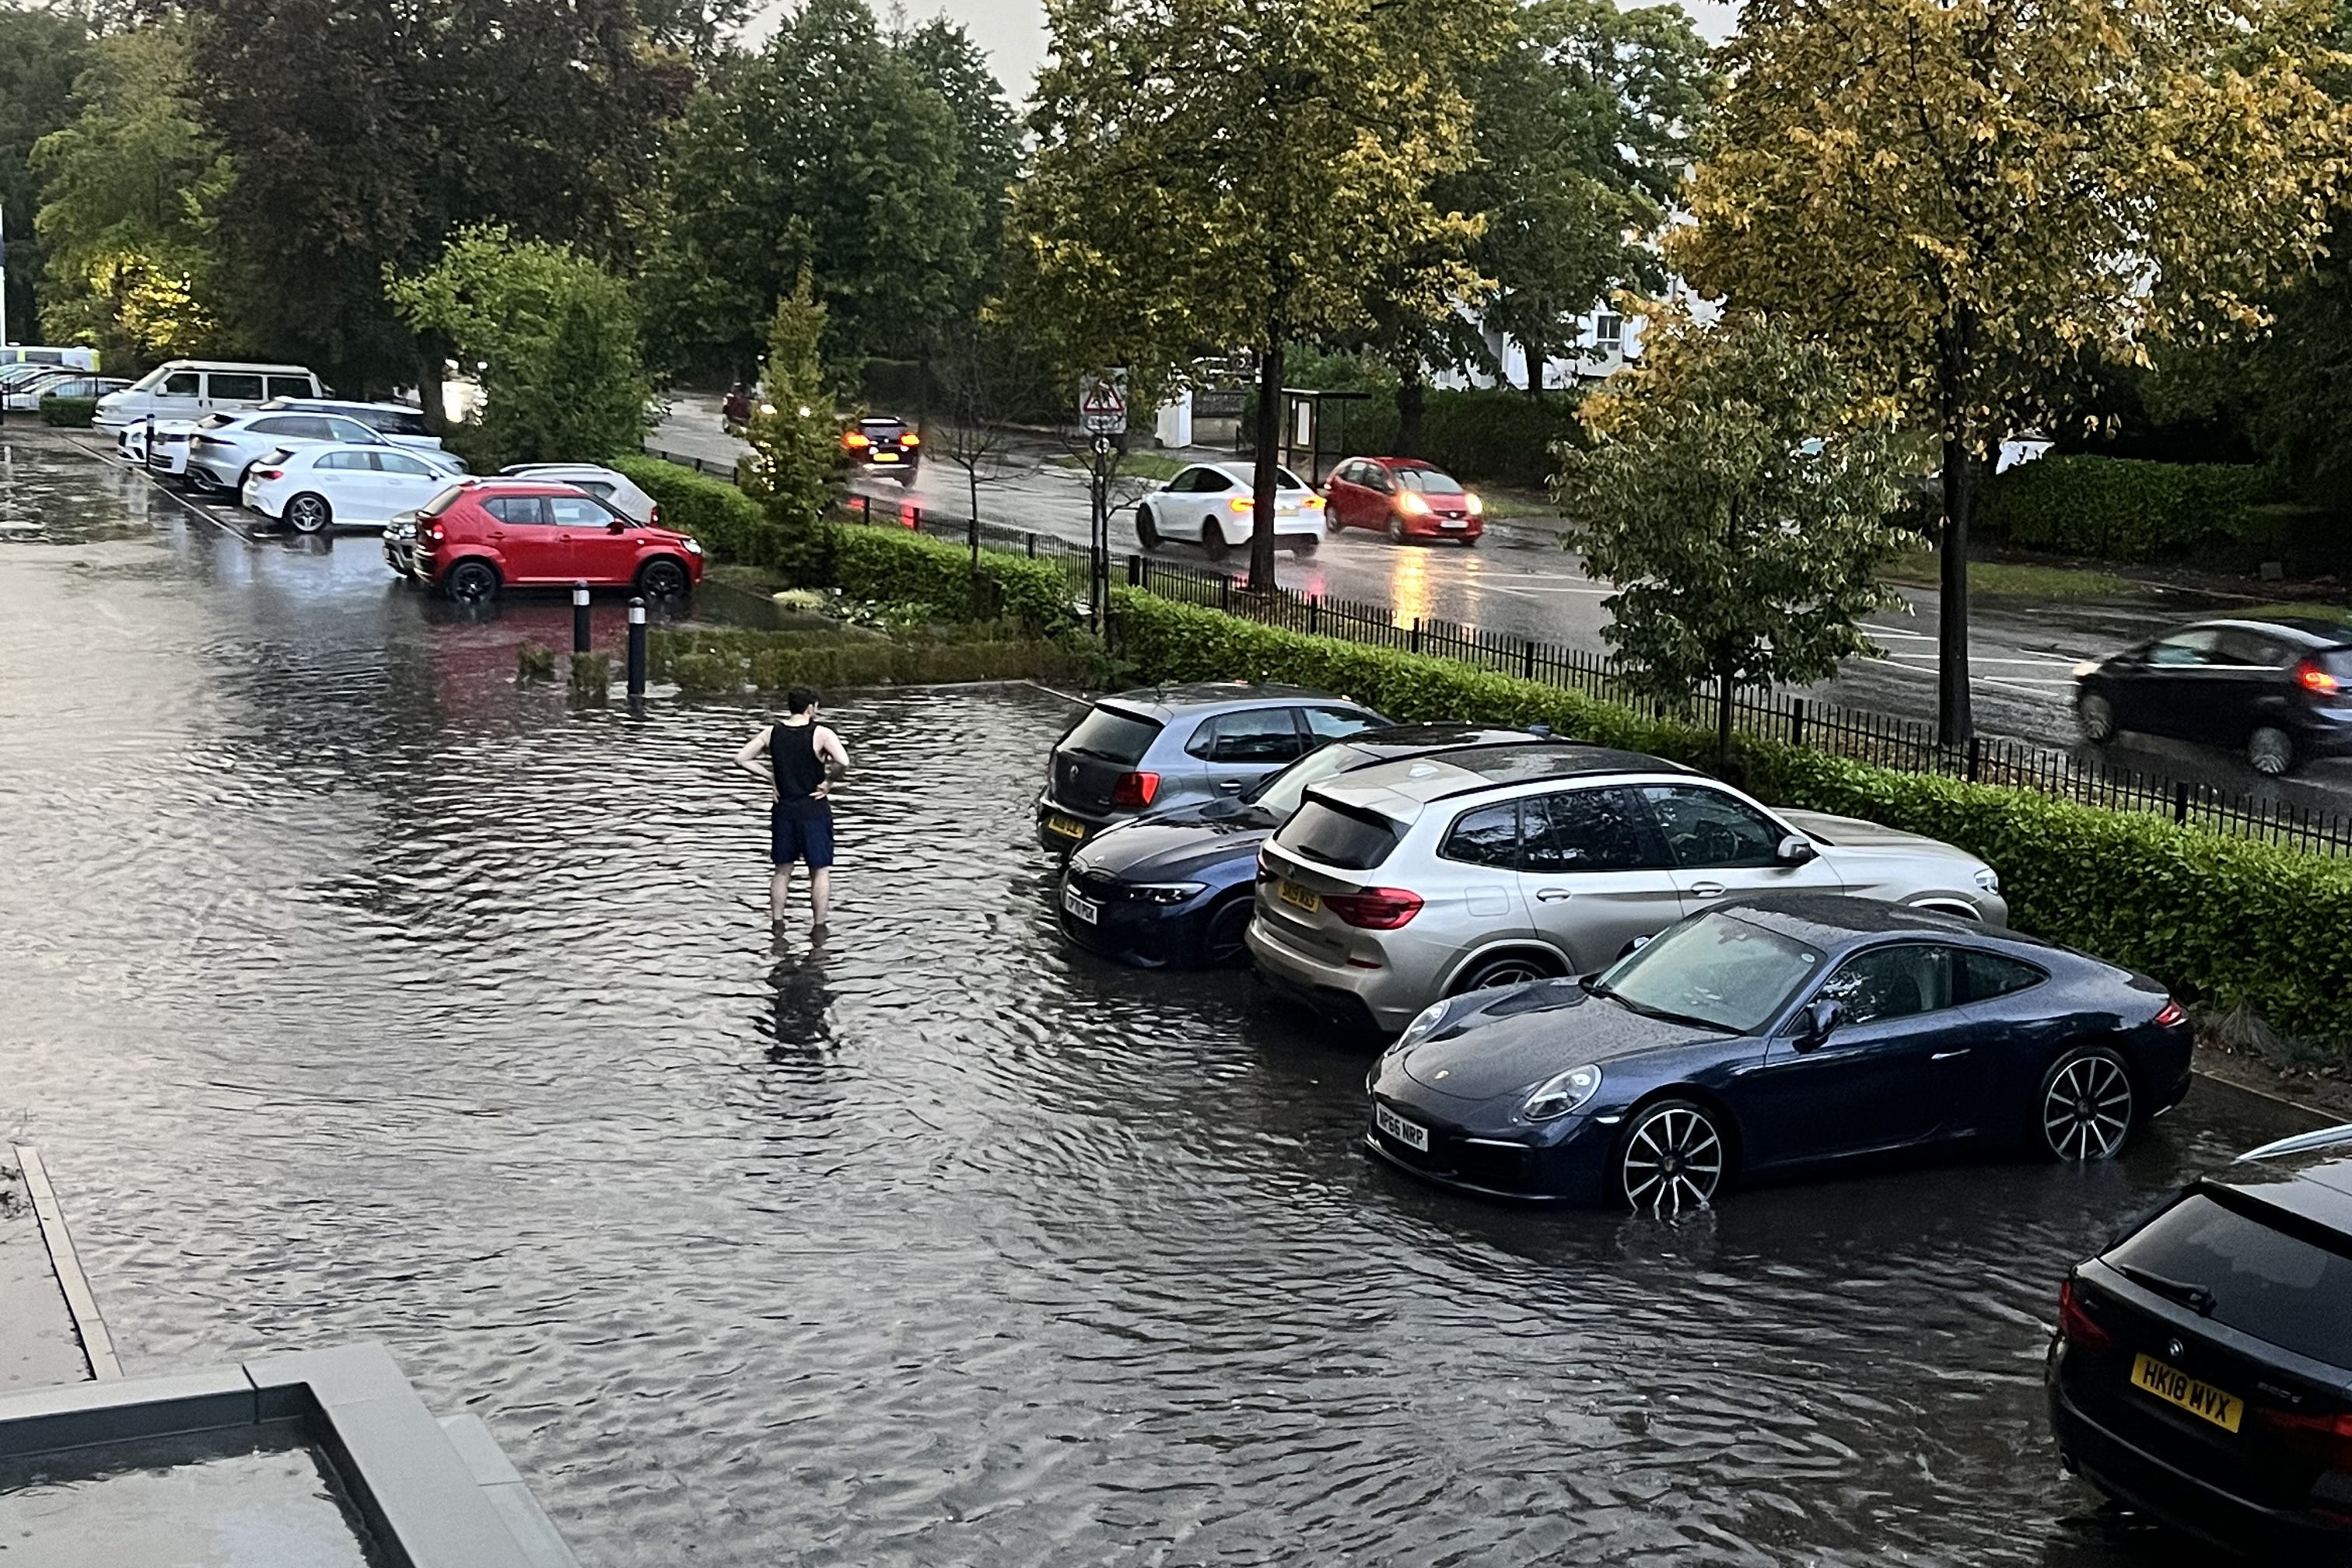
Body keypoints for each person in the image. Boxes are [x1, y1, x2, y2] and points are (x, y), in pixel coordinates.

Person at [734, 687, 849, 933]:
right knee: (819, 871)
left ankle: (777, 924)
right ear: (811, 707)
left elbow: (741, 758)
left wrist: (770, 777)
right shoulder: (821, 734)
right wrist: (829, 781)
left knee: (782, 871)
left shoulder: (771, 733)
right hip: (814, 810)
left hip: (784, 810)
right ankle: (819, 927)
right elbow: (844, 761)